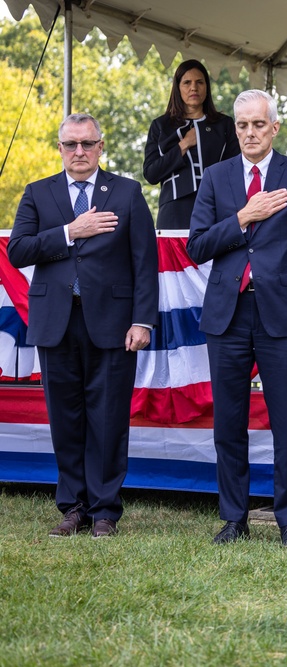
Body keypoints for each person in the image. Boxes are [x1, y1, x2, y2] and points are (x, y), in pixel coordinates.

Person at [187, 89, 287, 550]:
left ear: (273, 127)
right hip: (227, 315)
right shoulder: (216, 178)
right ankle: (234, 517)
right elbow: (197, 246)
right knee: (228, 423)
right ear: (236, 129)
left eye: (258, 124)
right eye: (242, 125)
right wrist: (243, 217)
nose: (250, 132)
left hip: (284, 317)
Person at [8, 113, 158, 538]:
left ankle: (105, 510)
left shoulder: (127, 193)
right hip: (56, 321)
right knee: (66, 417)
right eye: (71, 144)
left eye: (87, 144)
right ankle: (73, 506)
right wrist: (70, 231)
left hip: (113, 323)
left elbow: (145, 263)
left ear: (101, 146)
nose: (79, 152)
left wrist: (142, 320)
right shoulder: (38, 193)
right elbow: (18, 251)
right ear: (60, 148)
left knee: (109, 418)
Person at [143, 60, 239, 230]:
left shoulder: (224, 124)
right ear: (178, 87)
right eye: (187, 82)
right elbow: (151, 173)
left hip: (215, 208)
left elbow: (235, 169)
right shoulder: (161, 126)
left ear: (206, 87)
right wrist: (183, 145)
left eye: (199, 82)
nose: (193, 88)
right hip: (173, 212)